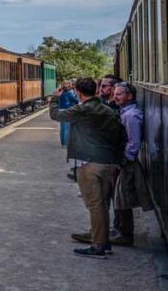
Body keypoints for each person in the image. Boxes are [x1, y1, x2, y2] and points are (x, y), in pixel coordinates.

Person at [49, 77, 126, 258]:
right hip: (108, 161)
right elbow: (121, 135)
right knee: (102, 204)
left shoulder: (83, 109)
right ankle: (101, 239)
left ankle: (98, 245)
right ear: (96, 90)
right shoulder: (108, 110)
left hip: (91, 162)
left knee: (95, 205)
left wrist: (54, 98)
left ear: (78, 92)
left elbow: (56, 115)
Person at [111, 82, 143, 246]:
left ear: (129, 96)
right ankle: (121, 230)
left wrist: (125, 160)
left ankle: (126, 234)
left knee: (122, 197)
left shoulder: (131, 115)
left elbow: (133, 142)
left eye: (119, 94)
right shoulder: (126, 112)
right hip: (123, 160)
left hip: (126, 162)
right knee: (120, 196)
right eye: (115, 94)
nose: (115, 97)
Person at [58, 80, 78, 147]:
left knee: (62, 128)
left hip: (61, 111)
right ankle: (65, 144)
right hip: (68, 111)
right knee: (67, 128)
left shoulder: (60, 93)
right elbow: (75, 100)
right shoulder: (69, 94)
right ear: (68, 86)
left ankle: (62, 142)